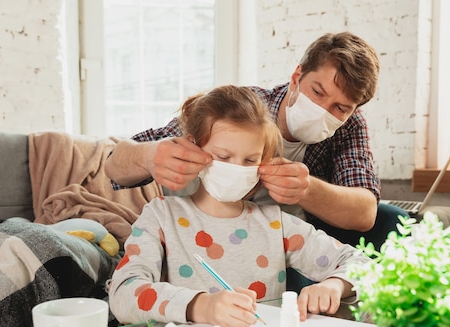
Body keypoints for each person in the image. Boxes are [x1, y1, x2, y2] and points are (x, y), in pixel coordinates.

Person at [105, 32, 407, 253]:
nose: (324, 110)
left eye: (340, 108)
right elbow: (113, 164)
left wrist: (305, 189)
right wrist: (149, 156)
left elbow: (366, 212)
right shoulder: (243, 109)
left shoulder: (349, 126)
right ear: (296, 76)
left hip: (293, 230)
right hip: (224, 232)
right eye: (318, 91)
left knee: (395, 221)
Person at [108, 85, 369, 327]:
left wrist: (336, 285)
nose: (236, 168)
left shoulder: (275, 224)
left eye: (250, 160)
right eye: (223, 157)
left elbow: (364, 265)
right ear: (193, 148)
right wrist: (202, 306)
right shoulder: (162, 217)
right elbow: (123, 294)